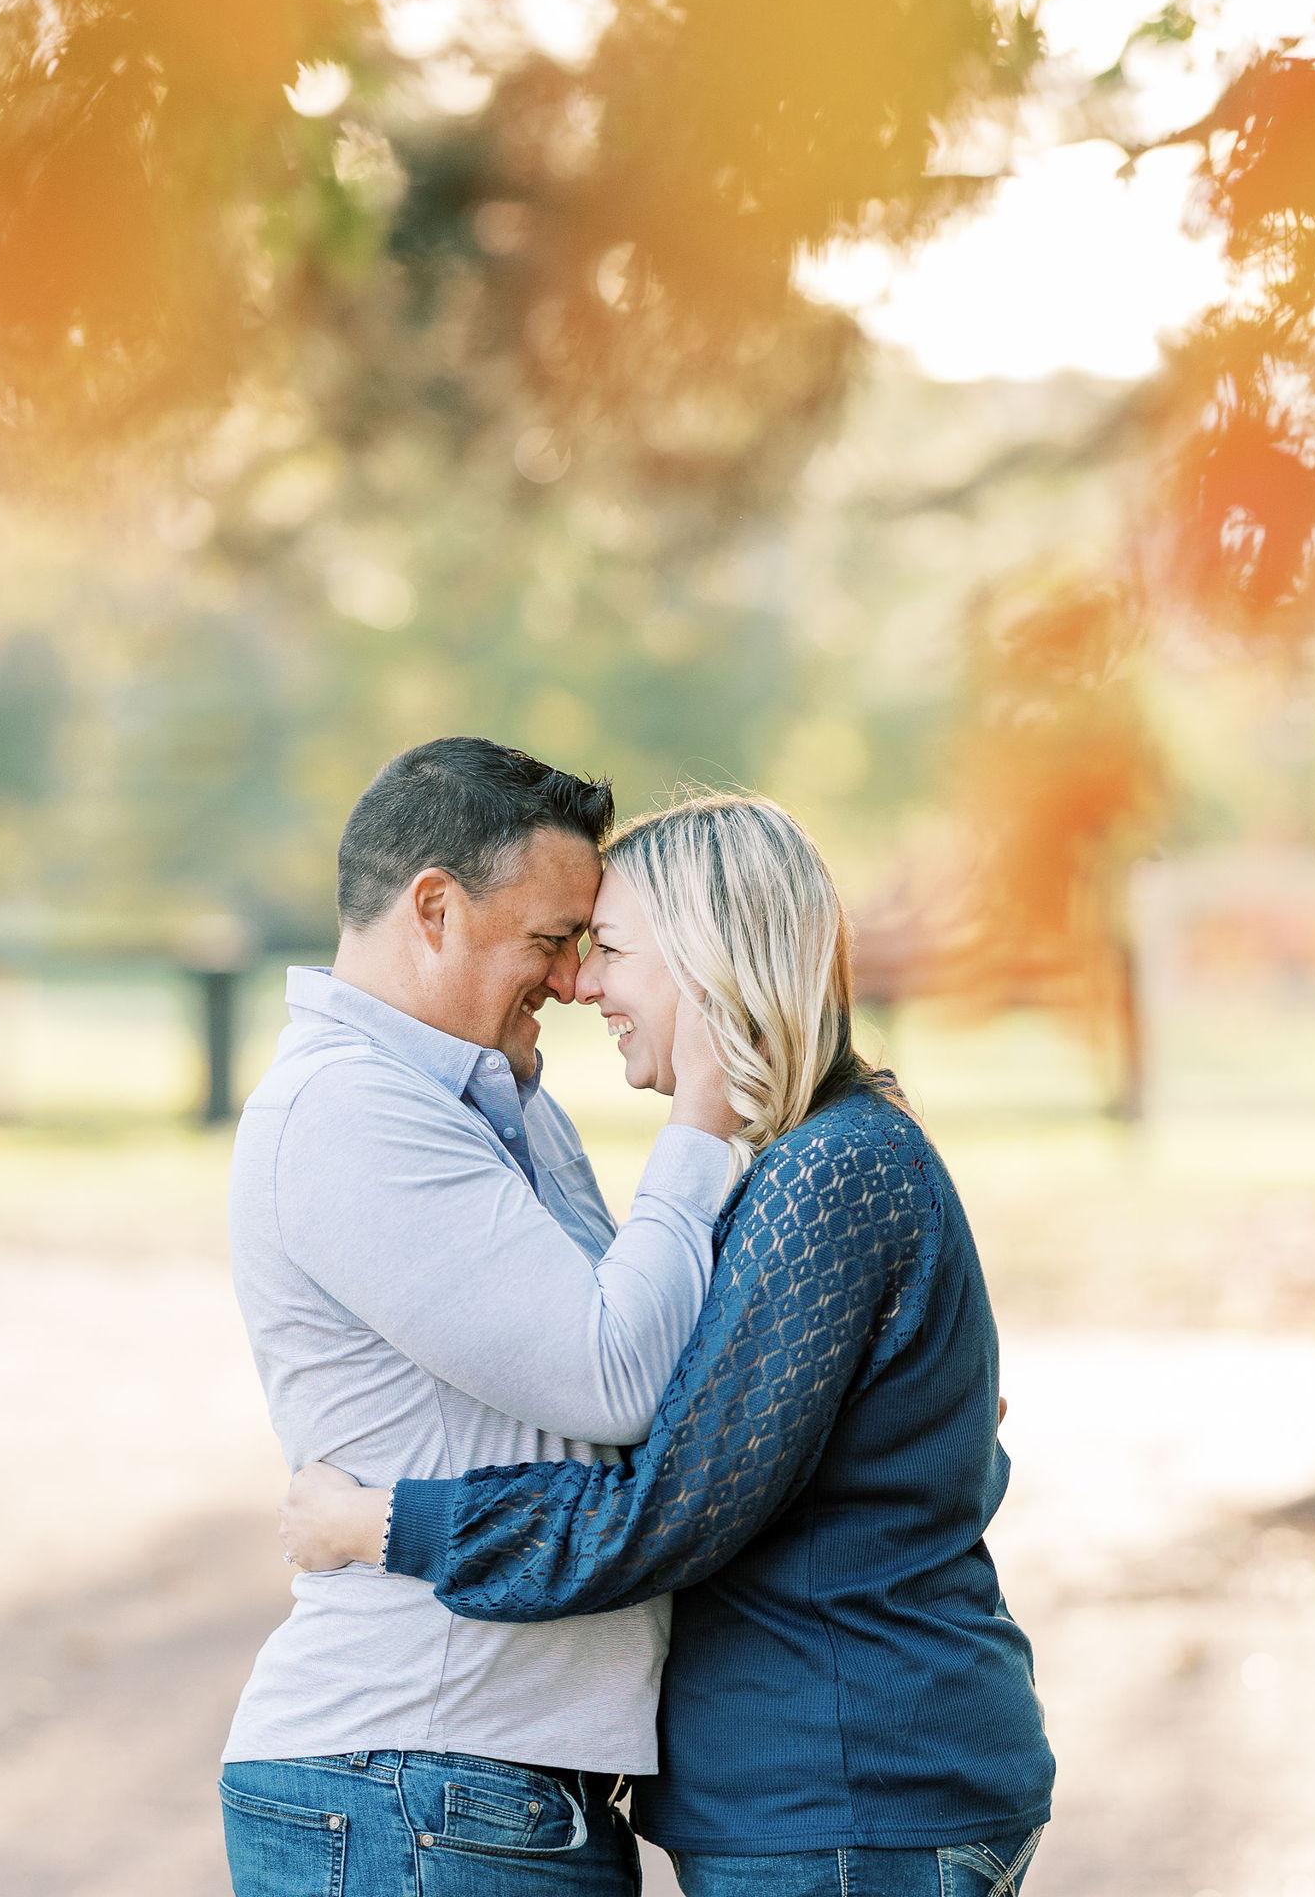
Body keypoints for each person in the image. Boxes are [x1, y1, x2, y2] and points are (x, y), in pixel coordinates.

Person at [281, 792, 1056, 1897]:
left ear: (704, 962)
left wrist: (388, 1521)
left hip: (846, 1801)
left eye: (608, 949)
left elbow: (663, 1511)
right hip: (836, 1797)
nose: (583, 983)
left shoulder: (828, 1174)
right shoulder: (812, 1165)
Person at [220, 737, 743, 1897]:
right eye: (550, 939)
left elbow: (652, 1349)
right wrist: (701, 1122)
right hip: (415, 1774)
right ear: (434, 908)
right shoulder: (349, 1115)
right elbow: (616, 1374)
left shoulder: (483, 1096)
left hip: (477, 1783)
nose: (570, 980)